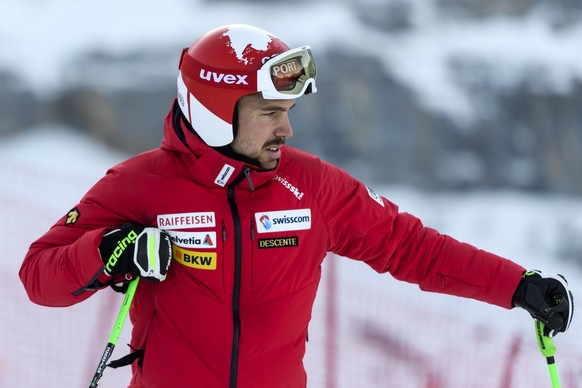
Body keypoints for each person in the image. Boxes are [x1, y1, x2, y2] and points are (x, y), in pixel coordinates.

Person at [19, 24, 574, 388]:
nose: (286, 127)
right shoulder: (139, 185)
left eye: (287, 110)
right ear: (217, 110)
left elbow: (409, 247)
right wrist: (110, 251)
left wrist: (515, 284)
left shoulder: (311, 186)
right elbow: (38, 276)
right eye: (269, 112)